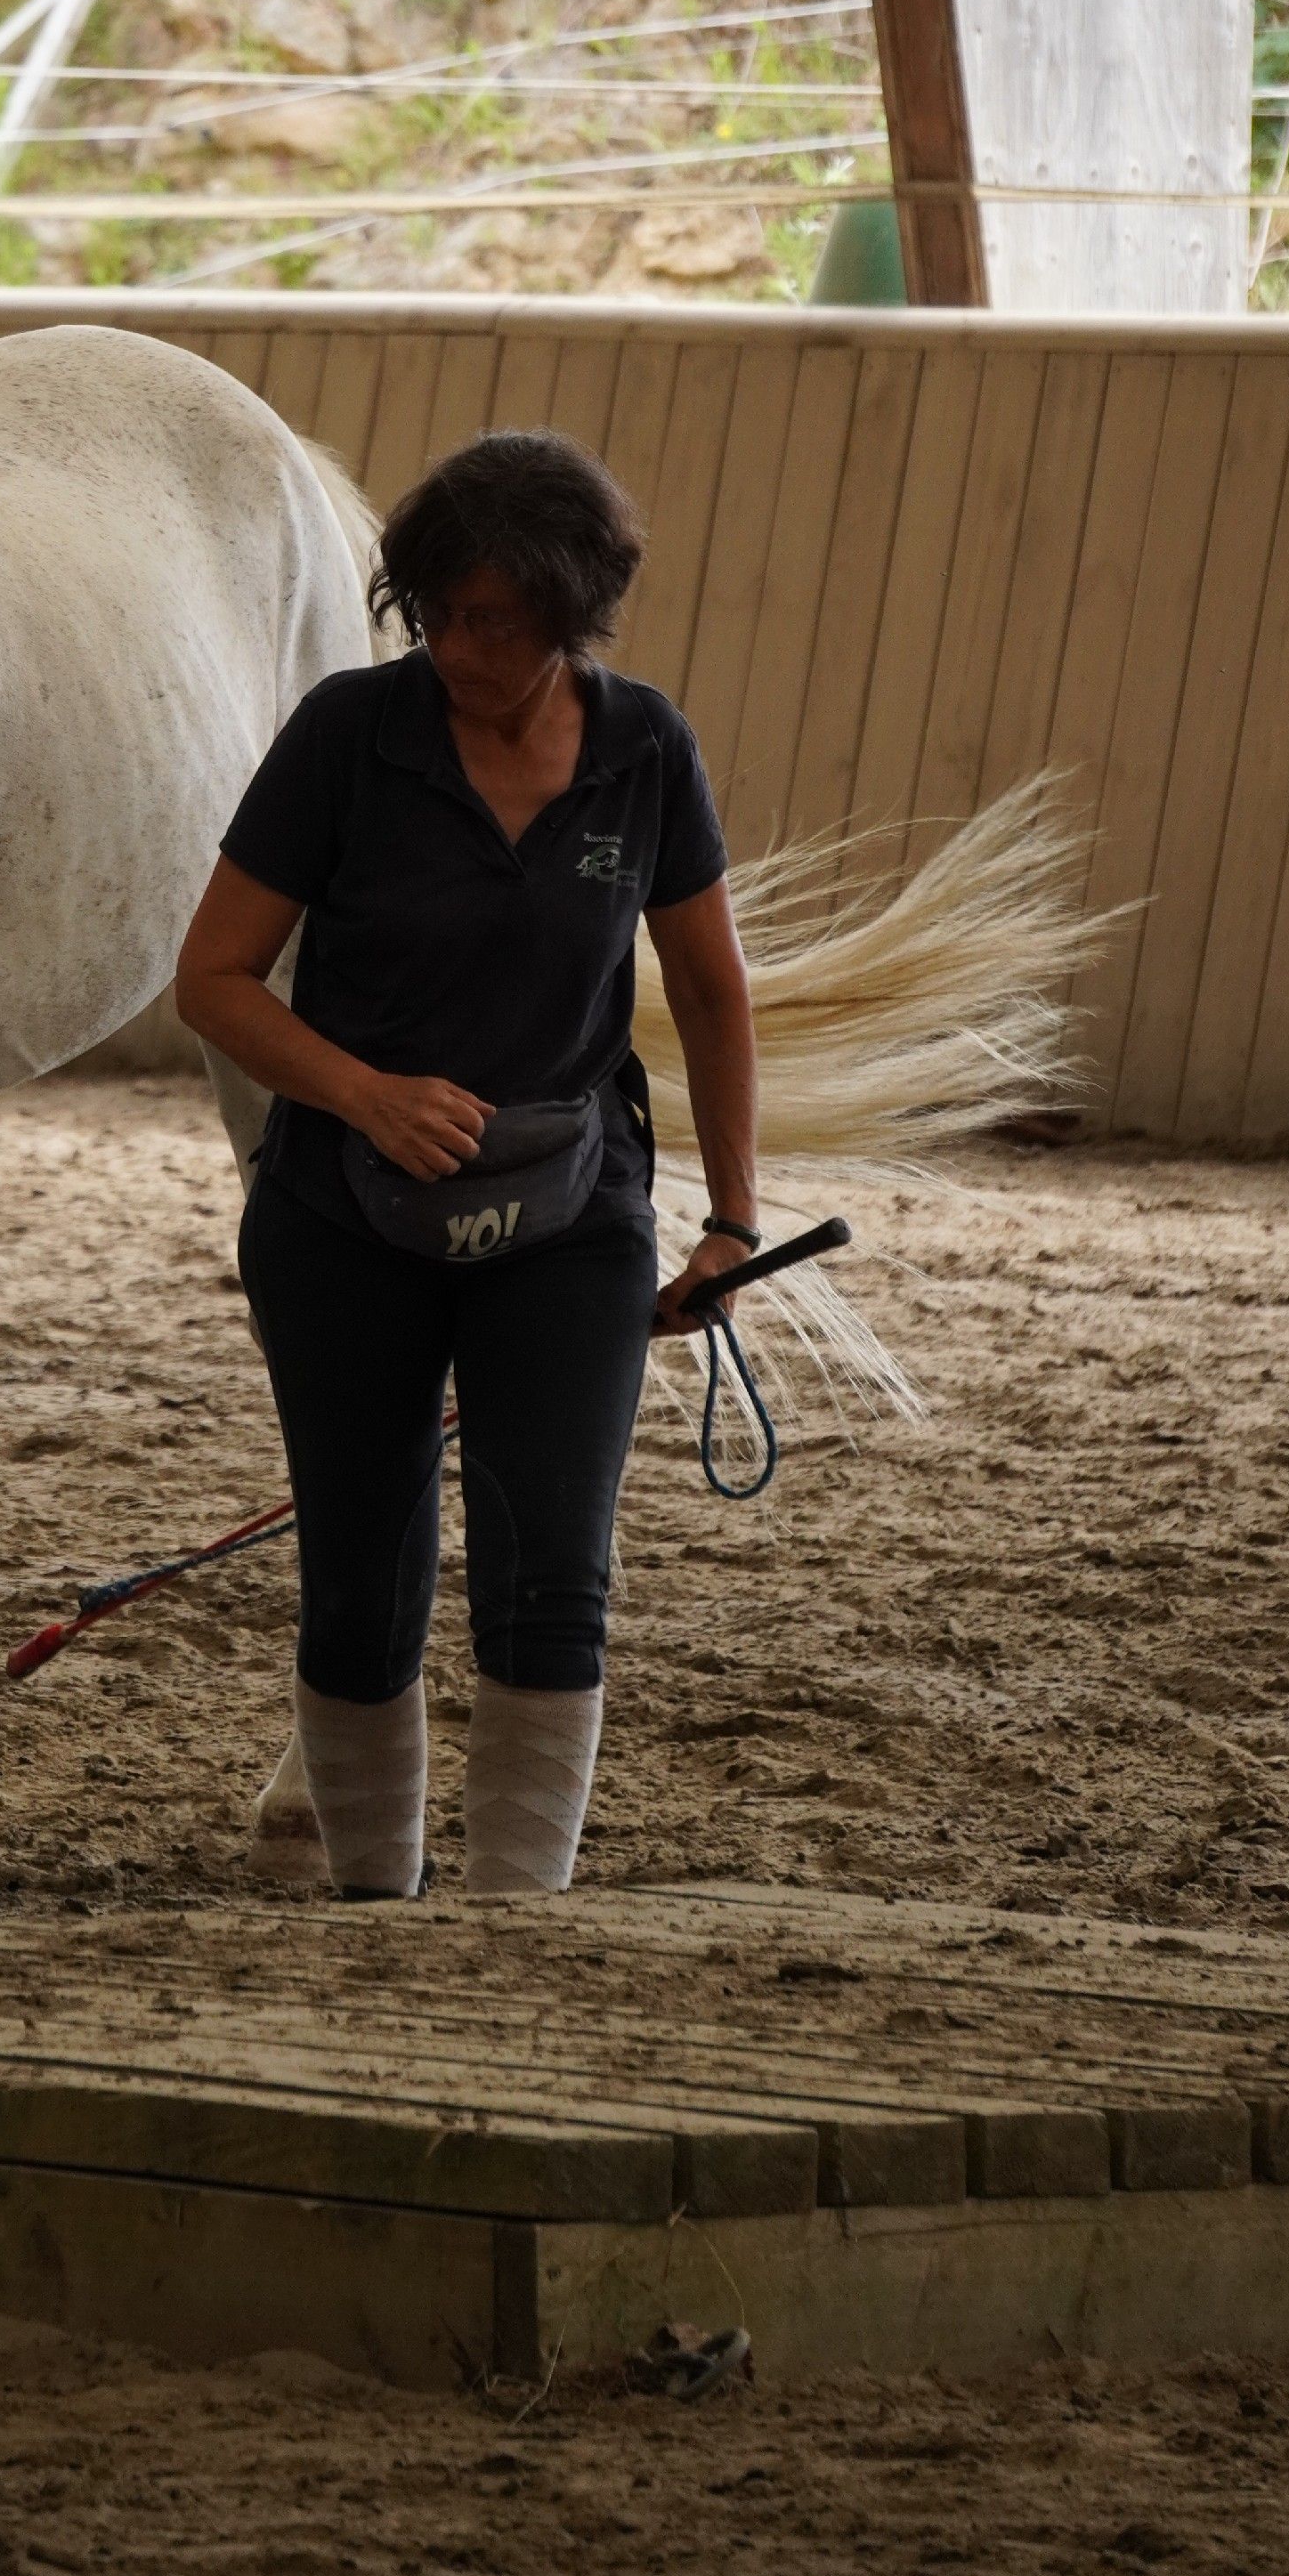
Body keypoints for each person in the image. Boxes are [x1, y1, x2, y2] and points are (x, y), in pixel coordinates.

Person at [174, 428, 759, 1900]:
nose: (457, 646)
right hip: (337, 1219)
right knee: (361, 1578)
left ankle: (513, 1921)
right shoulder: (344, 736)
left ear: (571, 613)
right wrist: (362, 1094)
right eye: (436, 612)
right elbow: (217, 980)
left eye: (494, 620)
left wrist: (731, 1220)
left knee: (549, 1571)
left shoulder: (645, 751)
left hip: (569, 1220)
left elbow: (707, 989)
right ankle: (376, 1903)